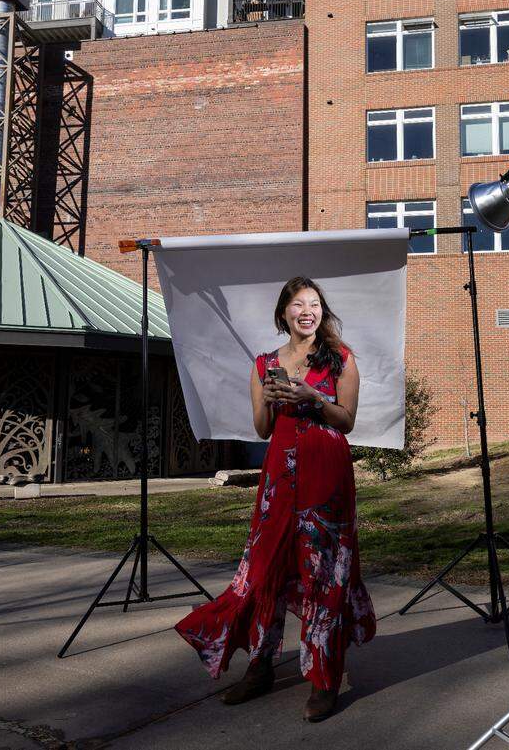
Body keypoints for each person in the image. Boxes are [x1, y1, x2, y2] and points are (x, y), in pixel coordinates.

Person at [174, 276, 376, 722]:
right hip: (278, 477)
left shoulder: (340, 357)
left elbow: (346, 421)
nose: (309, 310)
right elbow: (263, 428)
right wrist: (268, 398)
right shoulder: (265, 363)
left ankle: (325, 679)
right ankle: (260, 667)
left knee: (323, 573)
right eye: (299, 304)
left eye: (316, 303)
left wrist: (313, 397)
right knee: (265, 572)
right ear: (283, 313)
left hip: (326, 475)